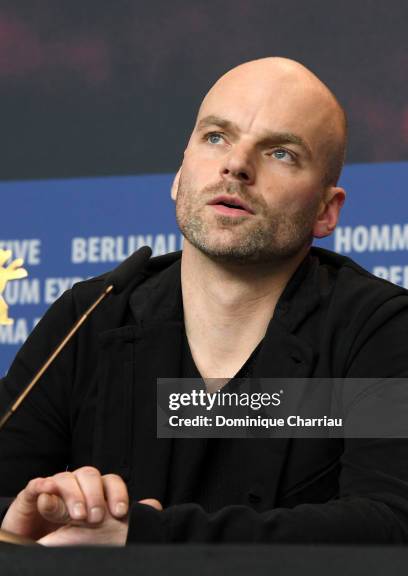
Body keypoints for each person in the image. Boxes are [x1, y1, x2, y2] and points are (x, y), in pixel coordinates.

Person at [1, 57, 408, 546]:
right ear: (178, 175)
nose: (236, 165)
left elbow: (389, 528)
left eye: (280, 153)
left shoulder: (379, 328)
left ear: (326, 210)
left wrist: (144, 538)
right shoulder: (90, 315)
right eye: (216, 137)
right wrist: (25, 519)